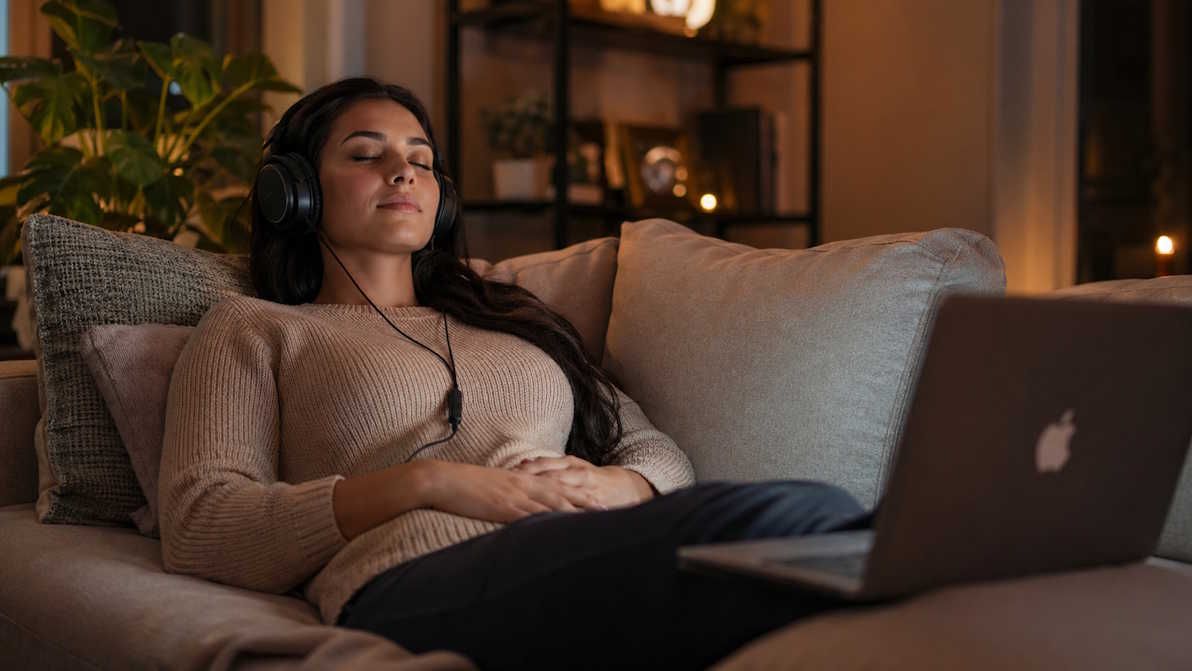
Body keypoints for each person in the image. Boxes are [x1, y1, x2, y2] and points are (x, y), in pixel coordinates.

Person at [158, 77, 872, 670]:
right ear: (297, 191)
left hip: (574, 545)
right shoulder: (255, 328)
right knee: (783, 522)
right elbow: (201, 521)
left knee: (814, 532)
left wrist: (611, 483)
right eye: (366, 155)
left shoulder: (508, 317)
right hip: (411, 577)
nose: (402, 172)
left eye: (419, 157)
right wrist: (429, 482)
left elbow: (653, 450)